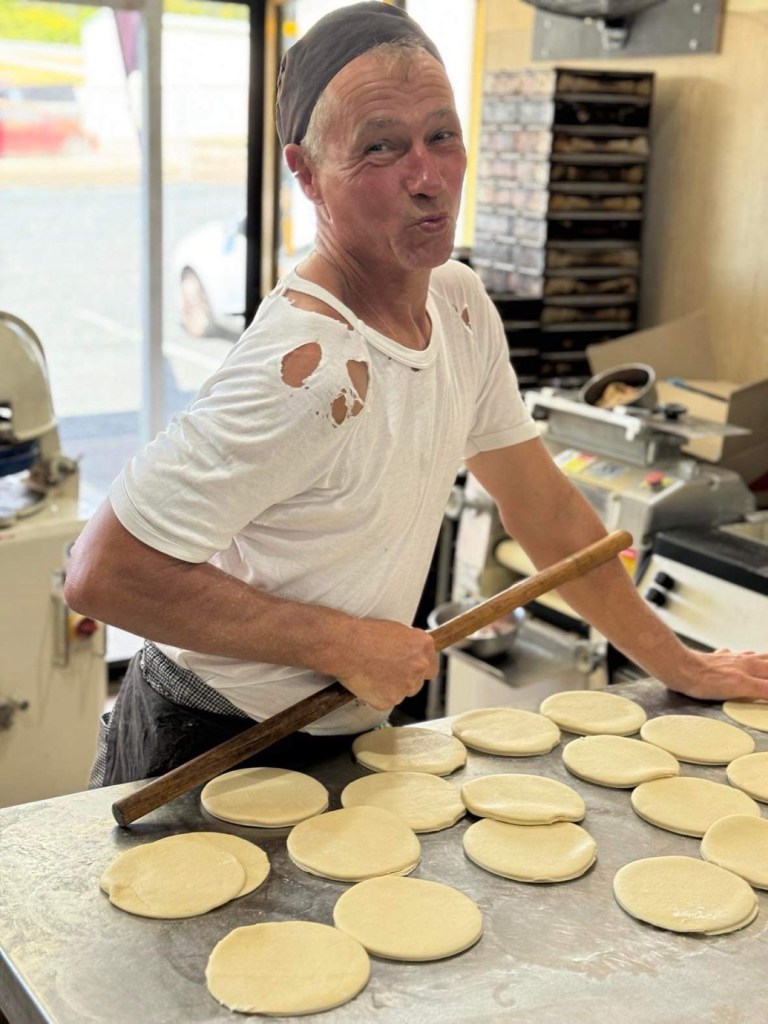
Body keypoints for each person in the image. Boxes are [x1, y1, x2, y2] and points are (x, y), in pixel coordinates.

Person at [65, 1, 768, 788]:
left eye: (442, 136)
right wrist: (341, 642)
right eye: (380, 149)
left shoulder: (458, 304)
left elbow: (544, 510)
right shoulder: (305, 366)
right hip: (207, 735)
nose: (428, 179)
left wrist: (684, 666)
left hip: (344, 729)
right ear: (304, 173)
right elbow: (104, 572)